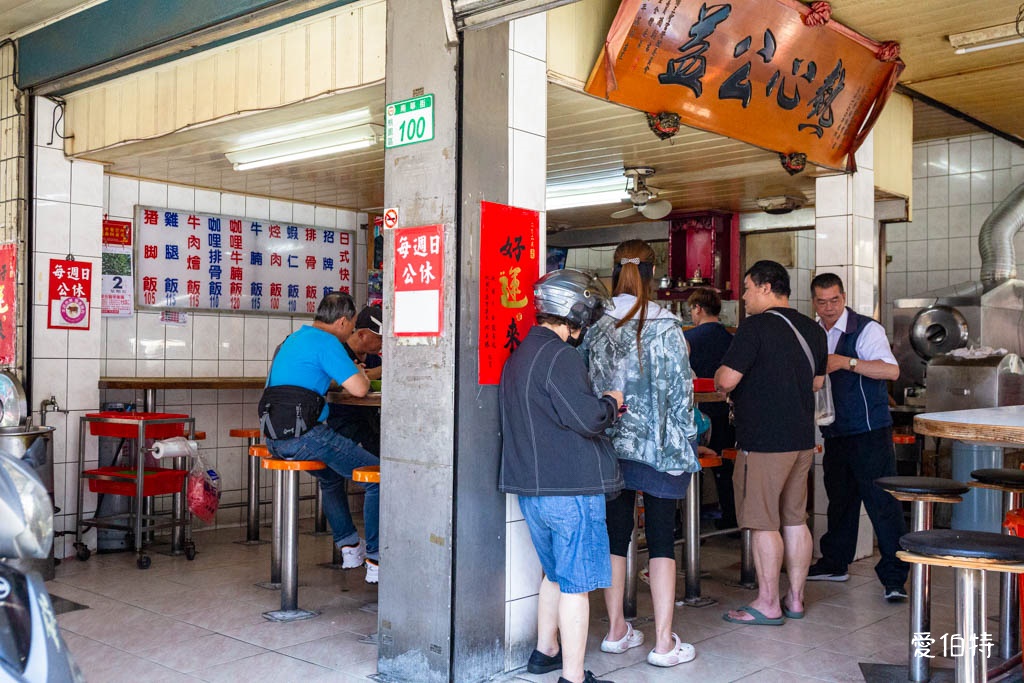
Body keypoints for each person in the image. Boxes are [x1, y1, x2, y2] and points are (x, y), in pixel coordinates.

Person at [499, 269, 624, 683]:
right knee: (577, 584)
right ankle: (573, 677)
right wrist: (610, 402)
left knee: (555, 573)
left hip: (531, 488)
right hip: (569, 487)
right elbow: (587, 418)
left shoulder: (520, 355)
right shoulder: (560, 356)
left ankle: (545, 650)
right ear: (574, 313)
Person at [581, 239, 700, 668]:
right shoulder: (669, 327)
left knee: (615, 538)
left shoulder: (596, 326)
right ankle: (664, 643)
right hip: (660, 451)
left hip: (609, 448)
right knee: (664, 542)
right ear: (654, 273)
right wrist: (688, 442)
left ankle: (616, 631)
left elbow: (585, 385)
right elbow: (682, 394)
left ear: (615, 272)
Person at [715, 260, 826, 625]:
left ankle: (767, 602)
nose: (744, 296)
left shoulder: (755, 327)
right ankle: (794, 599)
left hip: (764, 441)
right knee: (795, 520)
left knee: (764, 523)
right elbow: (817, 383)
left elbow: (728, 379)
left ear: (765, 286)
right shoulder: (813, 328)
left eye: (747, 287)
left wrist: (720, 379)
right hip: (801, 440)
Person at [261, 292, 381, 583]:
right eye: (351, 326)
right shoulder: (328, 342)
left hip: (275, 438)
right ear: (341, 321)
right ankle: (377, 559)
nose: (351, 332)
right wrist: (360, 375)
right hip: (305, 436)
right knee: (380, 476)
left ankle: (350, 546)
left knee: (330, 477)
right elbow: (360, 389)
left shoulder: (293, 339)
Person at [806, 273, 909, 601]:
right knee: (840, 500)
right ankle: (835, 562)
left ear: (844, 297)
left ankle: (894, 577)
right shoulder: (813, 332)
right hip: (834, 430)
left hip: (870, 432)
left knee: (882, 503)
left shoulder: (866, 329)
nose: (828, 307)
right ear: (814, 302)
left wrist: (847, 362)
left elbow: (890, 371)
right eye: (821, 302)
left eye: (834, 300)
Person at [685, 287, 737, 530]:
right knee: (726, 467)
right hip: (729, 411)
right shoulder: (732, 338)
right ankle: (731, 520)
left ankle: (688, 523)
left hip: (699, 416)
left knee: (693, 466)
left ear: (698, 309)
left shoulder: (689, 339)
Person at [326, 305, 383, 456]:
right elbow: (342, 380)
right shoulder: (339, 353)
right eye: (380, 338)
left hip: (371, 424)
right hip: (343, 423)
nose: (383, 343)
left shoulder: (375, 360)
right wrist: (380, 371)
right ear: (362, 334)